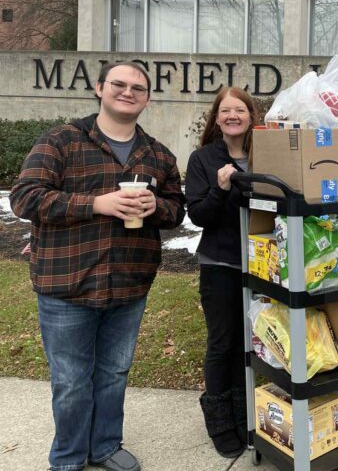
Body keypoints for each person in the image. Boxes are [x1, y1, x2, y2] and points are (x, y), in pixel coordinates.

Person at [10, 61, 186, 471]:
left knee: (114, 373)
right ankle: (69, 459)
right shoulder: (62, 141)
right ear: (99, 88)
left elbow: (177, 209)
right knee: (71, 382)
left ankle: (104, 446)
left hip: (129, 283)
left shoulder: (158, 154)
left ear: (148, 98)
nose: (128, 92)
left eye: (138, 87)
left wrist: (156, 205)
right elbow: (25, 197)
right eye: (119, 84)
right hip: (67, 282)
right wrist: (96, 203)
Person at [184, 87, 256, 458]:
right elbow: (197, 215)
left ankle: (245, 415)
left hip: (263, 268)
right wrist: (221, 187)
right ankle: (220, 422)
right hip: (221, 265)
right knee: (222, 342)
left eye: (239, 110)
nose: (232, 116)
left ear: (250, 116)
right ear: (216, 118)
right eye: (225, 110)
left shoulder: (264, 155)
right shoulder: (203, 159)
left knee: (251, 345)